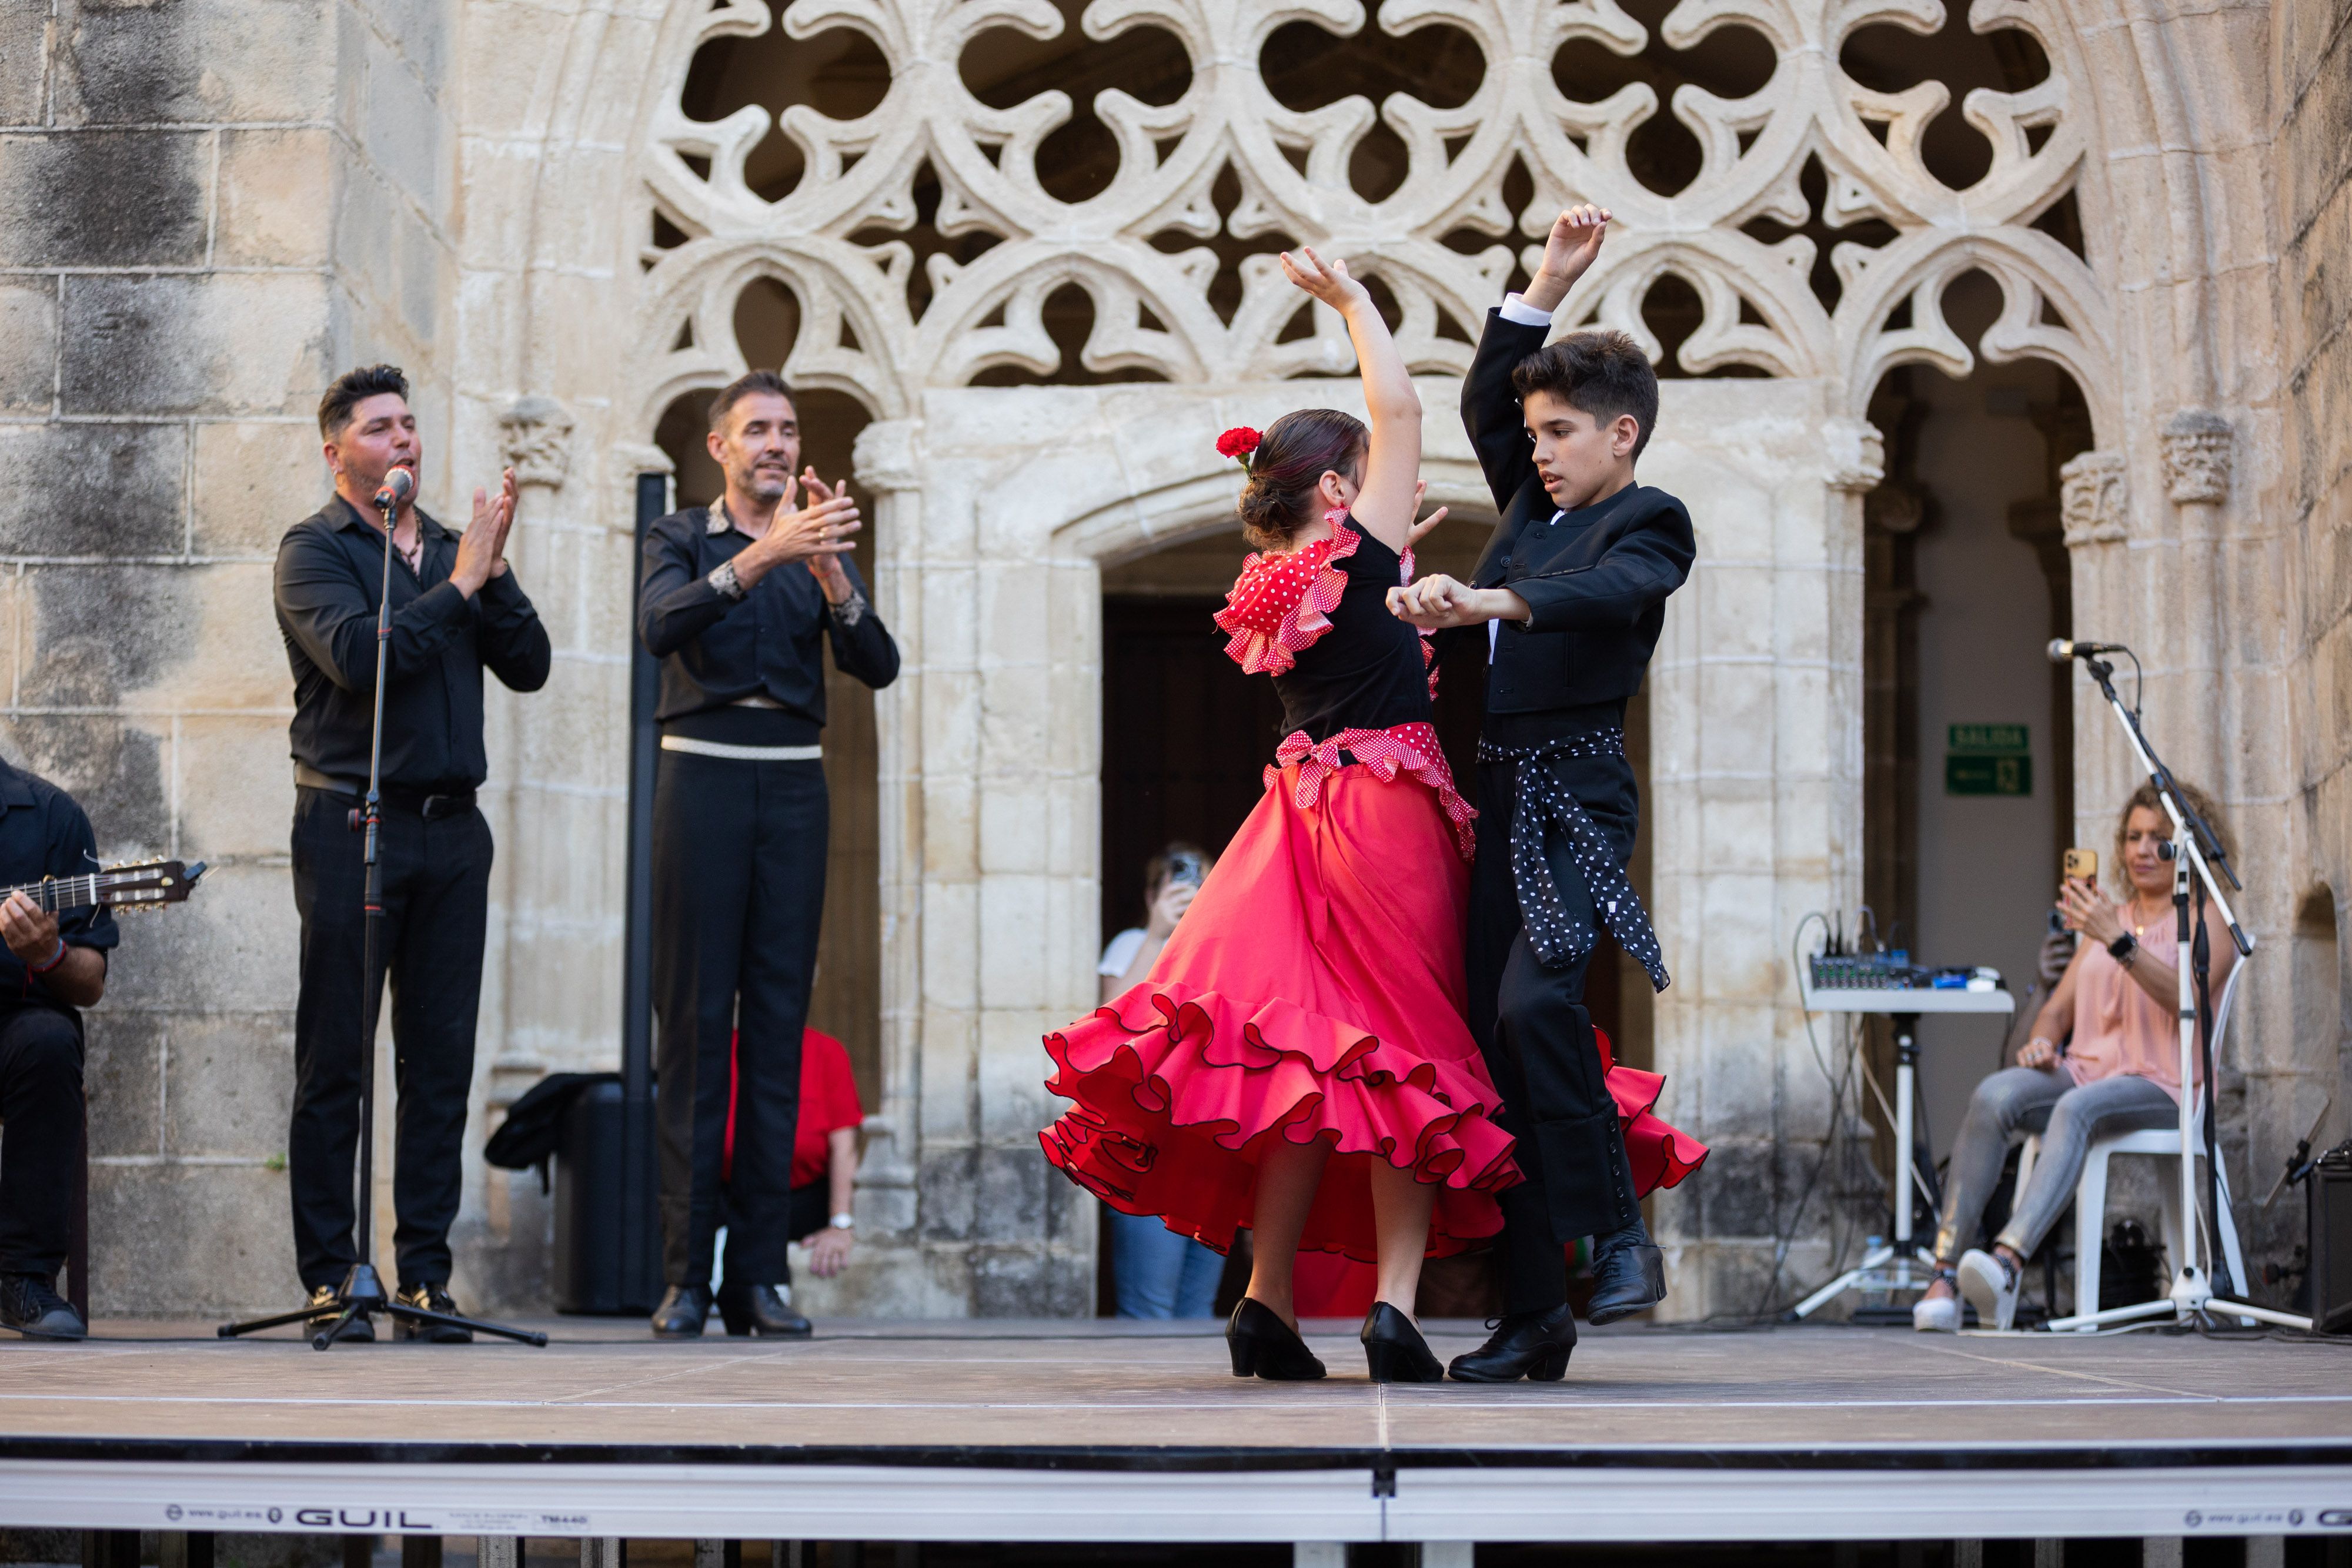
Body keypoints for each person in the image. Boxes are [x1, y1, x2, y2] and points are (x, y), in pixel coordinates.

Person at [1042, 247, 1512, 1384]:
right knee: (1406, 1058)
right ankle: (1393, 1308)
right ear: (1341, 490)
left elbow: (1348, 628)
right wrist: (1354, 305)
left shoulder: (1277, 576)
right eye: (1363, 472)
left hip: (1294, 819)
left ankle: (1264, 1299)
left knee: (1306, 1070)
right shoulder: (1356, 547)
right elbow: (1397, 402)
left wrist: (1392, 572)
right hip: (1386, 816)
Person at [1390, 205, 1707, 1381]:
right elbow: (1482, 400)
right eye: (1534, 433)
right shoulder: (1529, 502)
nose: (1535, 448)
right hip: (1499, 796)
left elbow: (1606, 595)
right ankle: (1536, 1310)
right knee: (1488, 1054)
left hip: (1578, 791)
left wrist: (1489, 603)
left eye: (1560, 430)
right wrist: (1545, 279)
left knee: (1534, 1011)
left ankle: (1619, 1236)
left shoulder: (1647, 520)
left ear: (1621, 435)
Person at [274, 363, 550, 1342]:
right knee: (337, 1057)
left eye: (412, 425)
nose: (406, 441)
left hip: (451, 830)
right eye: (383, 427)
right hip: (352, 823)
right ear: (337, 448)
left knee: (438, 1062)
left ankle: (425, 1280)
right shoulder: (315, 550)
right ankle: (332, 1276)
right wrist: (460, 585)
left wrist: (496, 572)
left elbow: (531, 666)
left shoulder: (449, 548)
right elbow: (359, 657)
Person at [637, 371, 900, 1339]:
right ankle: (684, 1279)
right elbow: (660, 624)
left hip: (792, 780)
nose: (776, 443)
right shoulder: (680, 536)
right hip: (700, 773)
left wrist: (831, 580)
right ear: (721, 447)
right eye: (757, 429)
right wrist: (763, 555)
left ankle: (756, 1279)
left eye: (787, 429)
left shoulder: (816, 547)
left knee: (780, 1026)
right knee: (698, 1031)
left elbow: (877, 663)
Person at [1913, 781, 2239, 1332]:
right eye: (2132, 836)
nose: (2140, 849)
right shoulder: (2102, 919)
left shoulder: (2211, 920)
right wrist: (2042, 1041)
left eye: (2157, 838)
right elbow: (2056, 1012)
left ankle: (2006, 1262)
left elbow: (2186, 998)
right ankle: (1945, 1274)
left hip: (2165, 1086)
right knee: (1996, 1094)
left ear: (2186, 845)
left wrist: (2117, 938)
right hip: (2085, 1071)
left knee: (2076, 1108)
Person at [0, 757, 119, 1339]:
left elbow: (90, 982)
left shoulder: (50, 817)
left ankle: (23, 1276)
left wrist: (47, 955)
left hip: (11, 1024)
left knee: (48, 1042)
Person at [1098, 843, 1225, 1319]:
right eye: (1176, 882)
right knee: (1149, 1312)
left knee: (1198, 1311)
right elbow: (1106, 1028)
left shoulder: (1223, 944)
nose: (1189, 893)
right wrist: (1157, 935)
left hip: (1209, 1153)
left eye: (1202, 881)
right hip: (1147, 1152)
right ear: (1153, 893)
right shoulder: (1133, 944)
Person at [719, 1024, 863, 1318]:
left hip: (802, 1197)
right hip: (731, 1193)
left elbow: (844, 1147)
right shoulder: (721, 1048)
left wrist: (840, 1224)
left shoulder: (826, 1050)